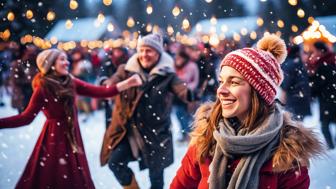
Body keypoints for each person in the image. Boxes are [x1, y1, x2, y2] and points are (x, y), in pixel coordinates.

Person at [170, 35, 323, 189]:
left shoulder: (287, 154)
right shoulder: (206, 138)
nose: (221, 90)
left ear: (259, 92)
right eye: (221, 81)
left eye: (234, 82)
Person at [0, 48, 142, 189]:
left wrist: (127, 83)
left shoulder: (70, 82)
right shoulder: (43, 88)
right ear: (51, 65)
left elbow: (99, 91)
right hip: (54, 138)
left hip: (72, 135)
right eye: (62, 59)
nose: (67, 62)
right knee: (55, 176)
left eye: (66, 59)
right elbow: (26, 118)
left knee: (75, 176)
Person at [100, 33, 196, 189]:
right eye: (142, 50)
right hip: (127, 130)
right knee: (115, 162)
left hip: (155, 133)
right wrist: (106, 83)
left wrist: (193, 94)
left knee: (156, 178)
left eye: (149, 50)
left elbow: (183, 90)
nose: (144, 54)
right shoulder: (125, 70)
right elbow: (112, 84)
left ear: (158, 53)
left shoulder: (167, 76)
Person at [309, 41, 336, 149]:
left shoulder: (323, 65)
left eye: (314, 51)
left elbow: (317, 85)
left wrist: (311, 78)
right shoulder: (331, 60)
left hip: (327, 100)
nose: (313, 54)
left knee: (324, 125)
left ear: (320, 51)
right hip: (331, 98)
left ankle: (332, 147)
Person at [280, 45, 311, 120]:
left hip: (296, 101)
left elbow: (285, 84)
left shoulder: (294, 63)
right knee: (296, 124)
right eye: (304, 53)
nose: (307, 56)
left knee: (295, 124)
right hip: (296, 101)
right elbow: (286, 84)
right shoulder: (295, 64)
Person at [174, 49, 199, 143]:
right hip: (177, 95)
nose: (178, 59)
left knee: (186, 116)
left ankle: (188, 135)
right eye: (177, 57)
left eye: (180, 57)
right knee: (178, 115)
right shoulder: (175, 67)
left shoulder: (192, 66)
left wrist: (186, 88)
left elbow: (195, 81)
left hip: (188, 95)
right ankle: (184, 134)